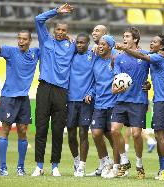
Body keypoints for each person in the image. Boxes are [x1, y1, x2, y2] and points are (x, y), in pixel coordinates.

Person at [115, 34, 164, 180]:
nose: (151, 43)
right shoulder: (161, 57)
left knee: (159, 135)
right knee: (163, 134)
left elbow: (143, 57)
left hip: (163, 101)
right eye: (151, 40)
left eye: (155, 42)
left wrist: (125, 47)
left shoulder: (157, 56)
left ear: (162, 46)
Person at [0, 23, 40, 176]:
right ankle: (3, 167)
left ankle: (20, 168)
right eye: (19, 38)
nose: (21, 41)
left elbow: (52, 48)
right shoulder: (11, 51)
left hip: (24, 99)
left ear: (30, 41)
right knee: (5, 130)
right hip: (9, 97)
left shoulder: (36, 53)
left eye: (24, 39)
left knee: (22, 131)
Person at [32, 3, 76, 177]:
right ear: (54, 30)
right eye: (58, 29)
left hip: (61, 91)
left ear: (66, 33)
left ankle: (55, 166)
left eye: (64, 31)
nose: (60, 32)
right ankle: (39, 166)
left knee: (58, 130)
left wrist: (73, 39)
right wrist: (56, 12)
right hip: (44, 88)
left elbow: (85, 45)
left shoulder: (71, 45)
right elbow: (38, 19)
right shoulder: (45, 40)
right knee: (41, 128)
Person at [110, 27, 150, 179]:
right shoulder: (119, 58)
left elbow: (157, 72)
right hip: (121, 100)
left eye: (127, 36)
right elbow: (118, 79)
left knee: (136, 134)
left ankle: (139, 165)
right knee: (114, 130)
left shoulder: (145, 56)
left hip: (138, 100)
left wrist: (149, 84)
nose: (124, 38)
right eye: (123, 36)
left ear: (135, 39)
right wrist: (115, 89)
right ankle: (125, 161)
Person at [85, 35, 120, 178]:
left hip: (113, 103)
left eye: (104, 44)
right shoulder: (96, 61)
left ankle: (119, 164)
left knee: (113, 136)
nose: (100, 46)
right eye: (99, 44)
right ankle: (106, 162)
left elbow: (120, 80)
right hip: (99, 103)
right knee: (96, 133)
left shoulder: (115, 59)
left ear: (110, 47)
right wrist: (90, 93)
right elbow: (95, 82)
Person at [66, 33, 95, 177]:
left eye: (82, 43)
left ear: (88, 43)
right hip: (70, 100)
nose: (79, 45)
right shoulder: (71, 55)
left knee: (83, 132)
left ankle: (82, 166)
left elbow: (98, 77)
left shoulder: (93, 55)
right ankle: (76, 160)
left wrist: (91, 92)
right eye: (77, 42)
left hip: (86, 101)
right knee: (71, 133)